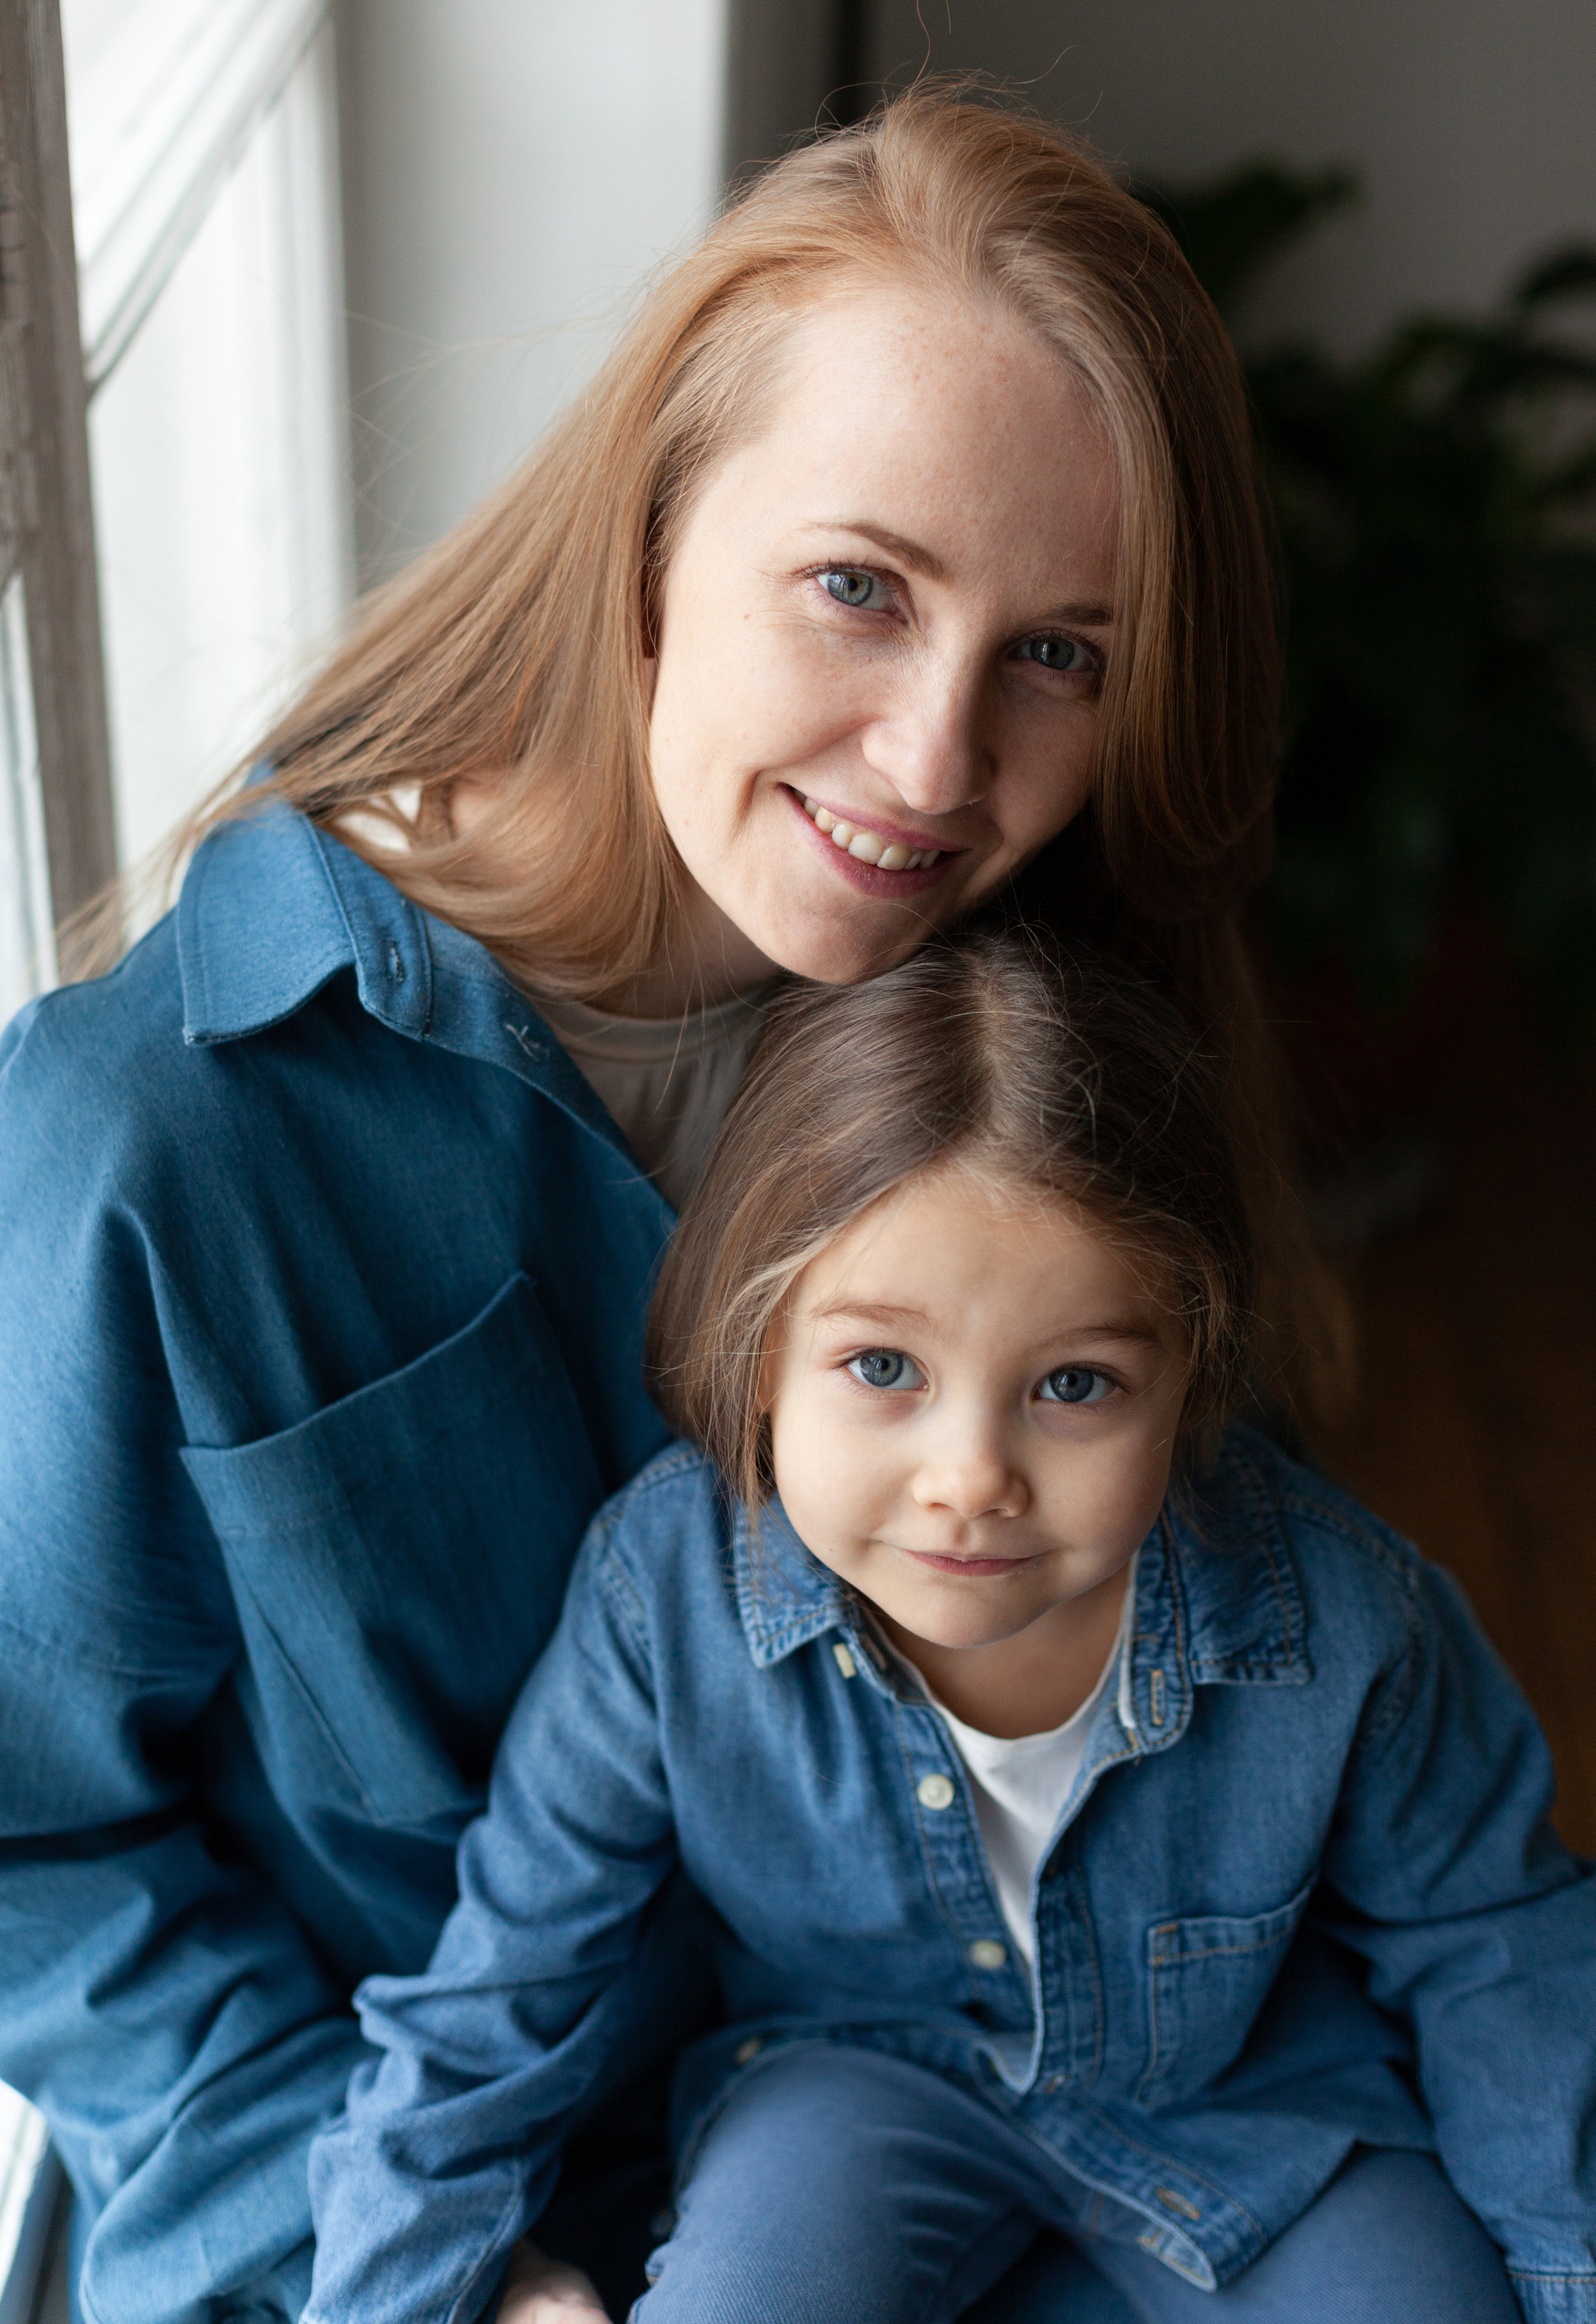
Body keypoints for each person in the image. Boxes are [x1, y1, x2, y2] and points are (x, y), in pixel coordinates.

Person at [0, 89, 1333, 2324]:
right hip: (399, 2213)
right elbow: (28, 1843)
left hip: (982, 2144)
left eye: (1060, 655)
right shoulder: (154, 1132)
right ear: (646, 537)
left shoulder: (1052, 1046)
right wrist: (439, 2267)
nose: (935, 764)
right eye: (859, 589)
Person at [302, 932, 1594, 2324]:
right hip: (851, 2082)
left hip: (1255, 2097)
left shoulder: (1344, 1619)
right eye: (881, 1367)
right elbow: (505, 1981)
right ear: (759, 1352)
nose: (970, 1478)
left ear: (1191, 1374)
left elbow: (1499, 1953)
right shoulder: (659, 1599)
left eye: (1075, 1385)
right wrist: (399, 2294)